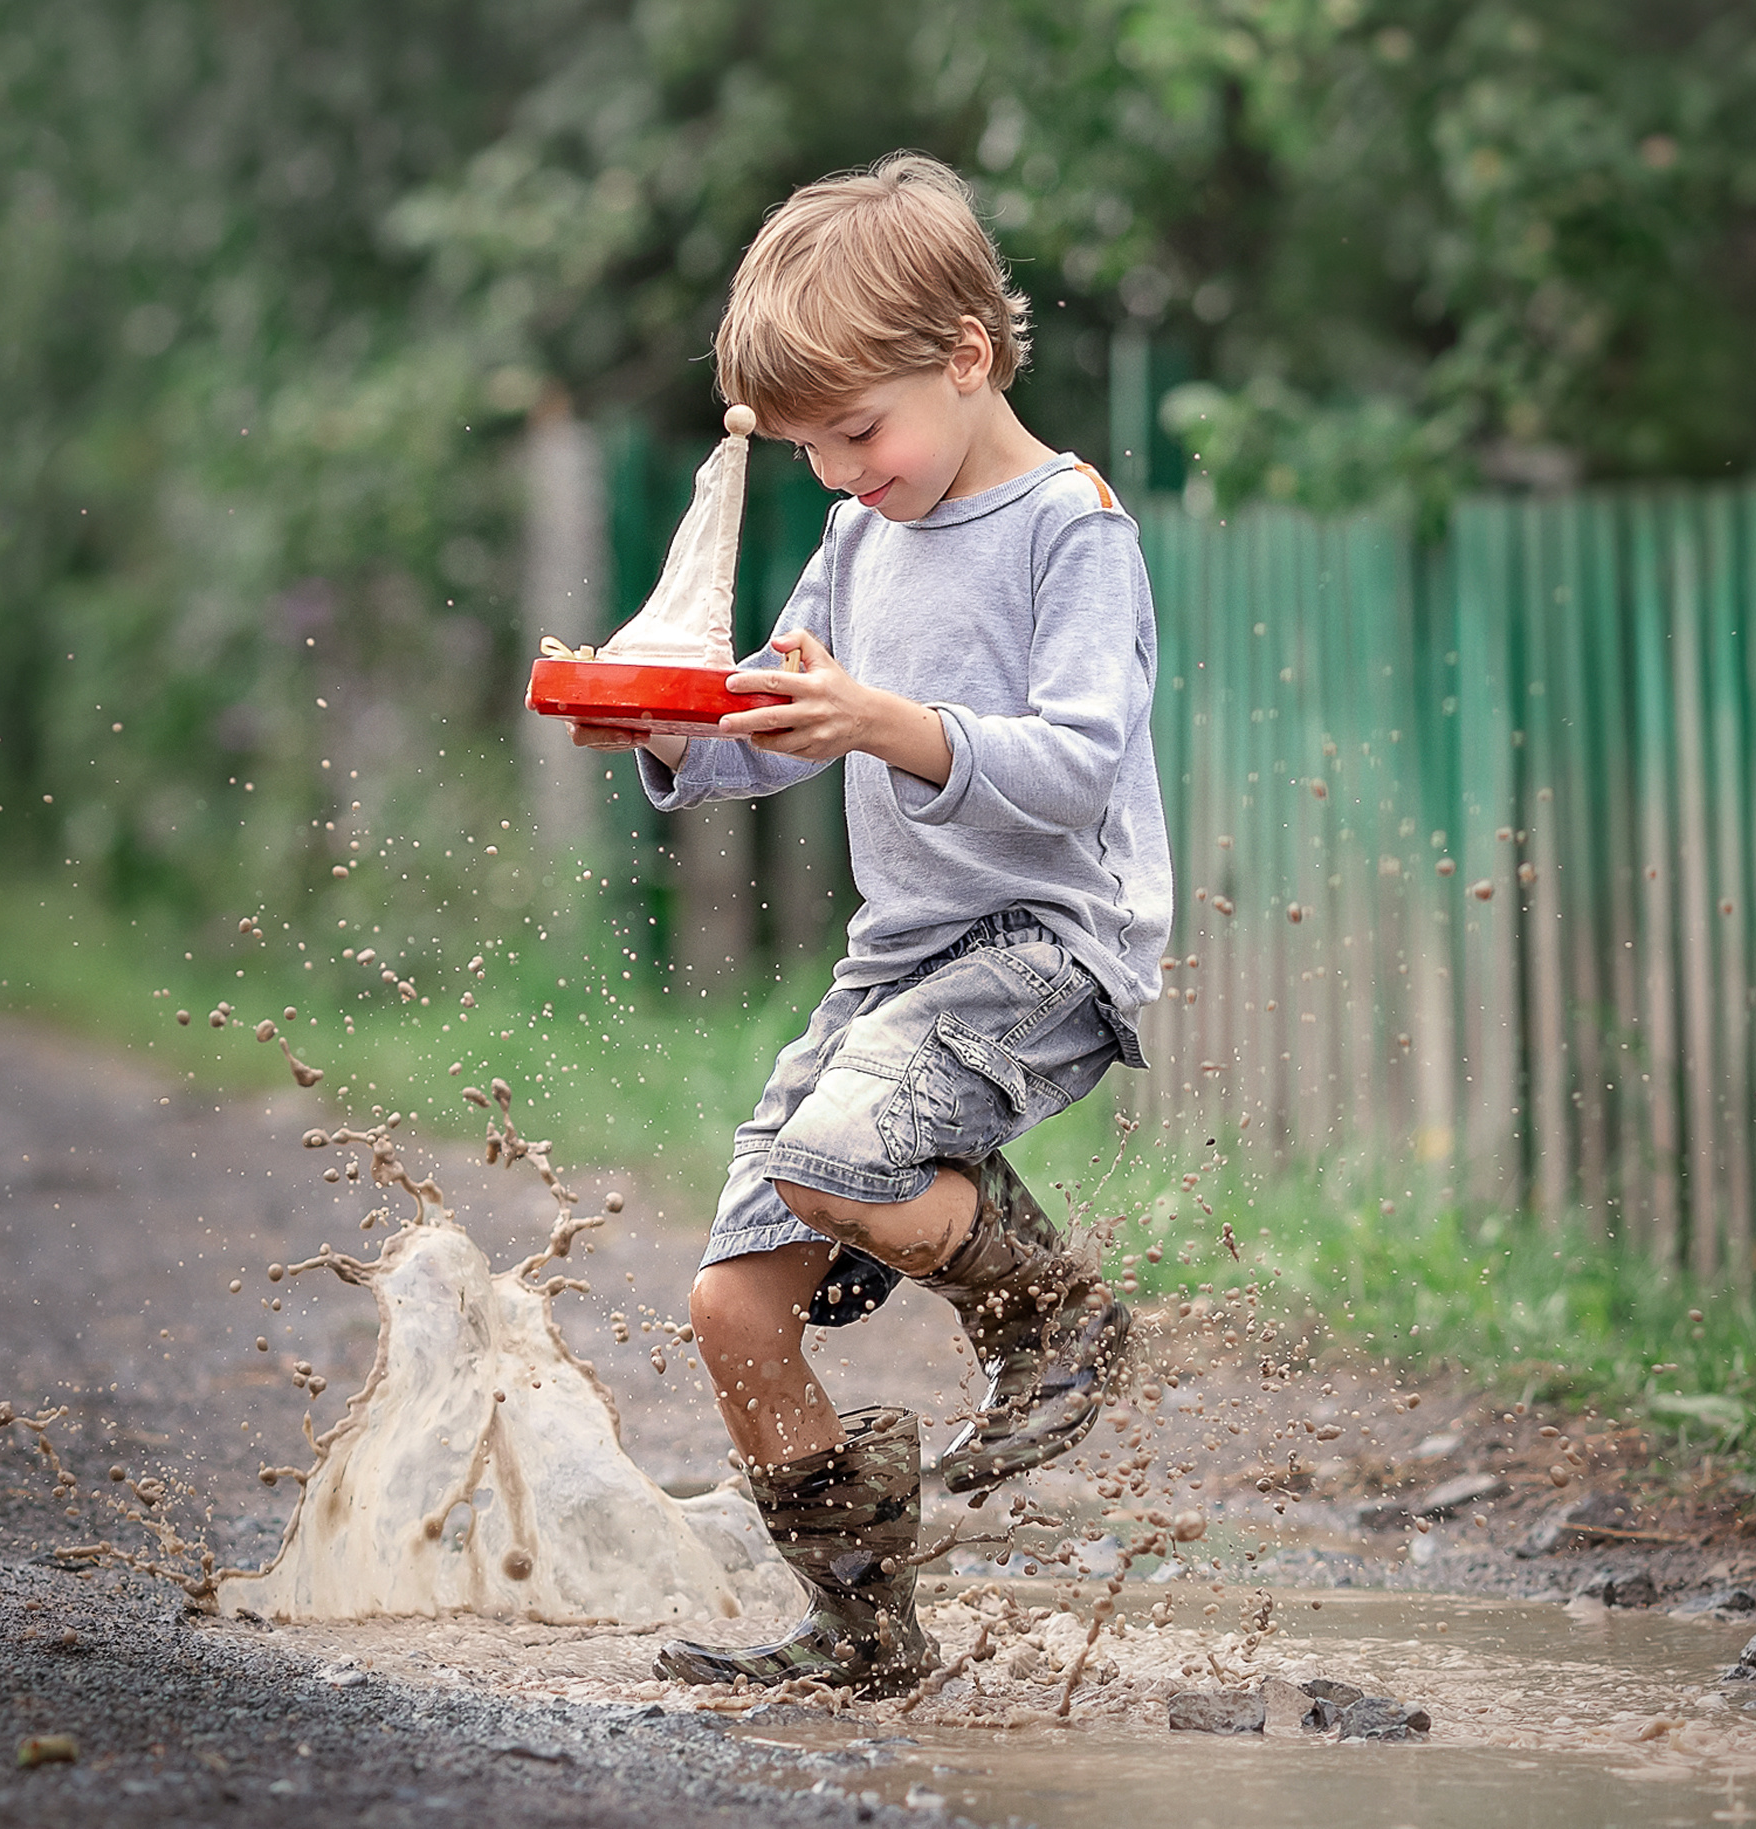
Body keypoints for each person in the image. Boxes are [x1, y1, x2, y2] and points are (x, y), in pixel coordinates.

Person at [571, 152, 1173, 1695]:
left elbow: (1080, 765)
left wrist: (889, 720)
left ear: (966, 356)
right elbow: (784, 729)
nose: (837, 473)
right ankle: (865, 1628)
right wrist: (654, 727)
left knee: (842, 1159)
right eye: (808, 450)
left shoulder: (1069, 528)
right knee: (729, 1303)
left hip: (1047, 938)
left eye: (855, 431)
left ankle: (1060, 1317)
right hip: (899, 966)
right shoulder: (861, 535)